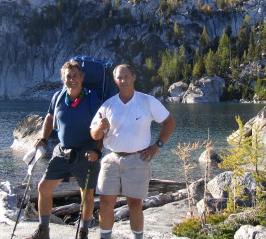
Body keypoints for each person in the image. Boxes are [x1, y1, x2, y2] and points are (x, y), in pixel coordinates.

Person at [90, 64, 176, 239]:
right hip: (112, 159)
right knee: (106, 202)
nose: (123, 81)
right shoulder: (108, 105)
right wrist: (100, 127)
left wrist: (156, 146)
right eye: (119, 78)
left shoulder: (147, 101)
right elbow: (94, 134)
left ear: (134, 77)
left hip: (138, 159)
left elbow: (169, 122)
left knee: (135, 204)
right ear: (115, 81)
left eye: (126, 76)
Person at [26, 60, 102, 239]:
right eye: (68, 76)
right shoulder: (58, 97)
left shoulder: (92, 97)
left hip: (86, 153)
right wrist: (43, 138)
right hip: (62, 152)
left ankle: (83, 232)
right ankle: (43, 231)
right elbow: (50, 117)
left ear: (82, 78)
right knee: (44, 188)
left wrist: (97, 151)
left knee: (87, 194)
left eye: (76, 76)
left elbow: (102, 127)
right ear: (63, 79)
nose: (72, 79)